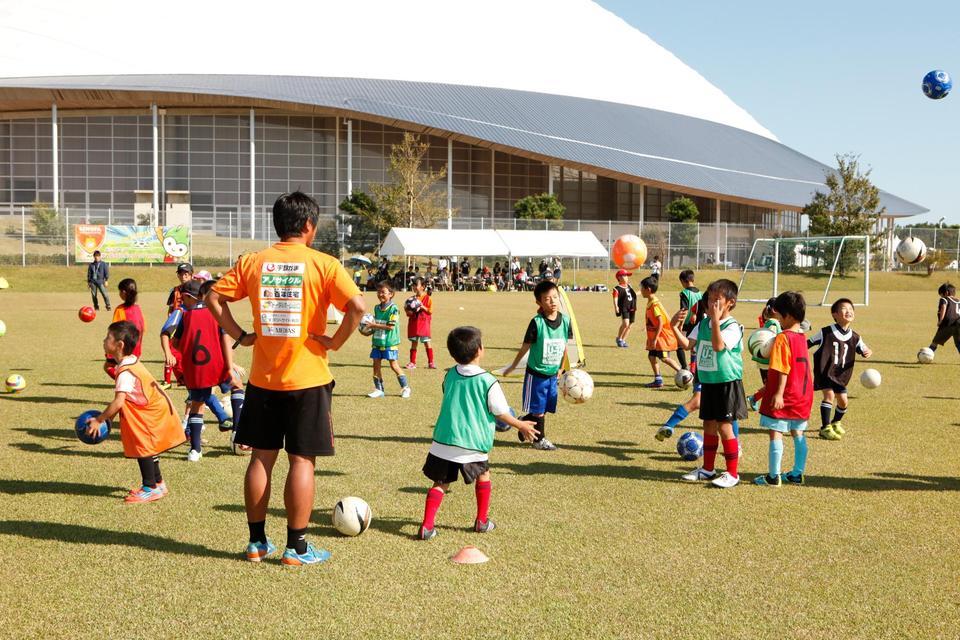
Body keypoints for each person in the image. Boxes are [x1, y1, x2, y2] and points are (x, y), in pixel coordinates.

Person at [206, 191, 365, 566]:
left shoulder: (253, 261)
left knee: (261, 459)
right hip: (308, 380)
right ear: (309, 226)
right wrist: (335, 341)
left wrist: (242, 335)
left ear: (277, 225)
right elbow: (358, 307)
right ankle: (297, 548)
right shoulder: (324, 264)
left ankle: (257, 543)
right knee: (302, 461)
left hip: (263, 379)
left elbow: (213, 297)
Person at [417, 326, 538, 540]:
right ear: (480, 349)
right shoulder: (488, 381)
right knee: (484, 474)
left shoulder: (450, 375)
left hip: (444, 440)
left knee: (440, 484)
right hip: (472, 443)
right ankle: (481, 522)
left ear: (453, 353)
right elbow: (500, 412)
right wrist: (521, 425)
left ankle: (427, 526)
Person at [84, 321, 185, 503]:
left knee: (143, 449)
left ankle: (149, 488)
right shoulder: (132, 362)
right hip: (155, 412)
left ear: (119, 345)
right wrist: (110, 419)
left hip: (149, 415)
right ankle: (159, 483)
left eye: (108, 337)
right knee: (149, 448)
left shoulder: (125, 372)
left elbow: (118, 401)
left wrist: (100, 420)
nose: (104, 340)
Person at [678, 279, 745, 488]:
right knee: (708, 425)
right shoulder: (703, 323)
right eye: (709, 298)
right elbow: (688, 344)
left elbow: (717, 347)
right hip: (708, 381)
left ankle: (732, 473)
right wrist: (673, 327)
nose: (710, 303)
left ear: (730, 303)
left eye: (717, 300)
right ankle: (707, 469)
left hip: (727, 382)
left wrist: (715, 321)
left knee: (725, 427)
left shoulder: (733, 326)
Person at [161, 279, 238, 461]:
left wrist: (187, 351)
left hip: (195, 368)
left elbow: (176, 341)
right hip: (218, 365)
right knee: (238, 388)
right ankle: (237, 433)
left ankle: (195, 450)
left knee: (197, 405)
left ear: (189, 297)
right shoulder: (216, 312)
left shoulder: (184, 315)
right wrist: (230, 365)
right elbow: (226, 340)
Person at [501, 280, 572, 451]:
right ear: (539, 302)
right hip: (536, 374)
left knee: (545, 409)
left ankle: (524, 422)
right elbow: (525, 348)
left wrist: (562, 368)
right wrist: (513, 366)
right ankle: (539, 440)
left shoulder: (565, 321)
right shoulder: (537, 323)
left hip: (553, 374)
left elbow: (564, 347)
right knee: (539, 411)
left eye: (555, 297)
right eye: (547, 299)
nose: (553, 301)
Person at [754, 291, 814, 486]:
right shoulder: (802, 337)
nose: (777, 320)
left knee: (776, 433)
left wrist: (778, 394)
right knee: (798, 433)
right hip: (803, 395)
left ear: (787, 316)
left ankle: (773, 476)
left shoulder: (782, 338)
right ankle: (797, 473)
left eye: (778, 316)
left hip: (785, 394)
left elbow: (781, 368)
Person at [807, 298, 872, 441]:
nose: (848, 311)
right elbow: (808, 343)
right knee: (829, 396)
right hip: (825, 372)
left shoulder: (855, 336)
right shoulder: (825, 332)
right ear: (834, 314)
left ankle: (835, 422)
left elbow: (864, 349)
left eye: (851, 309)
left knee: (843, 401)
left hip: (841, 375)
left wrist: (867, 352)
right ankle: (825, 428)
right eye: (844, 308)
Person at [367, 281, 412, 398]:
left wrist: (373, 326)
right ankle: (379, 389)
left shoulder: (394, 309)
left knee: (394, 365)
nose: (380, 294)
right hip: (377, 341)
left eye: (383, 292)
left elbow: (390, 327)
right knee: (376, 365)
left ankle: (406, 387)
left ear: (391, 294)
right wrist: (368, 330)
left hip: (389, 342)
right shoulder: (376, 308)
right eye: (378, 292)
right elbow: (375, 324)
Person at [639, 274, 681, 388]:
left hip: (662, 337)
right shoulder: (651, 301)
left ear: (648, 290)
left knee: (664, 358)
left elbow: (661, 322)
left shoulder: (655, 304)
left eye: (641, 288)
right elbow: (653, 320)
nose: (640, 290)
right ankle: (658, 379)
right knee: (652, 356)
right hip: (656, 337)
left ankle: (682, 373)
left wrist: (656, 338)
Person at [160, 263, 196, 389]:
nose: (183, 276)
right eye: (180, 273)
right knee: (170, 350)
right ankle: (169, 380)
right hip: (177, 325)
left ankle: (189, 378)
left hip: (192, 325)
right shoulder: (175, 290)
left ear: (191, 275)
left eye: (186, 274)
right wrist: (171, 320)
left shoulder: (197, 289)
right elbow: (171, 308)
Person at [104, 278, 145, 379]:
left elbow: (114, 331)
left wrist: (110, 350)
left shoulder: (120, 309)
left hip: (122, 348)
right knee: (131, 369)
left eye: (119, 291)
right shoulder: (138, 308)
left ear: (123, 292)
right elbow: (143, 328)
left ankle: (122, 382)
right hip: (136, 347)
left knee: (108, 367)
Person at [747, 298, 782, 411]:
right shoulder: (774, 324)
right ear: (776, 311)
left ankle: (754, 398)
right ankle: (755, 399)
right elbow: (771, 342)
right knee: (774, 387)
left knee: (771, 386)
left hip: (763, 362)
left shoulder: (769, 322)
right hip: (768, 362)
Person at [405, 276, 435, 369]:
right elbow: (408, 312)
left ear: (423, 286)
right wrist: (408, 311)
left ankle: (431, 362)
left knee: (427, 342)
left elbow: (430, 311)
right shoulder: (411, 299)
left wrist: (422, 307)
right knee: (414, 343)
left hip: (424, 323)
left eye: (415, 285)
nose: (414, 287)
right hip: (414, 323)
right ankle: (412, 362)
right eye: (413, 285)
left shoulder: (428, 298)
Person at [676, 269, 702, 370]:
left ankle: (684, 367)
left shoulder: (684, 293)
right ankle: (693, 368)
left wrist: (680, 324)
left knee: (679, 345)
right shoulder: (700, 293)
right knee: (694, 347)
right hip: (698, 323)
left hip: (686, 323)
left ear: (683, 281)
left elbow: (684, 309)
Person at [926, 283, 960, 356]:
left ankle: (926, 356)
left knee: (935, 342)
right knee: (958, 343)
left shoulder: (944, 299)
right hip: (958, 323)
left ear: (946, 293)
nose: (941, 296)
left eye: (941, 294)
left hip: (948, 323)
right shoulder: (958, 300)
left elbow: (943, 308)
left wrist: (941, 320)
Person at [612, 269, 636, 348]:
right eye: (625, 276)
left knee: (630, 325)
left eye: (627, 276)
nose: (627, 277)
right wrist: (616, 307)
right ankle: (619, 338)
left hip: (632, 307)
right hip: (624, 308)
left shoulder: (629, 286)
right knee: (625, 323)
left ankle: (623, 340)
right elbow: (615, 298)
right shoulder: (617, 288)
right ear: (619, 277)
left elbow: (633, 294)